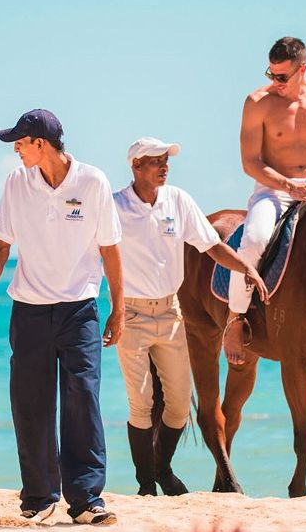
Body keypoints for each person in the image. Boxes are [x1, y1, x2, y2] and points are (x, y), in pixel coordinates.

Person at [0, 109, 123, 526]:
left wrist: (118, 308)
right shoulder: (17, 182)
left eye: (20, 142)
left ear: (41, 143)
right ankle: (39, 497)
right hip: (29, 310)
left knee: (82, 399)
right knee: (30, 404)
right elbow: (0, 245)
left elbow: (110, 248)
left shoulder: (92, 182)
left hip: (80, 310)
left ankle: (86, 500)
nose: (16, 150)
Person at [114, 137, 269, 496]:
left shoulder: (178, 200)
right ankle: (147, 486)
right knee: (141, 404)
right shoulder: (115, 206)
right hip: (132, 313)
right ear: (136, 166)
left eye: (166, 160)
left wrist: (245, 267)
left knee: (180, 405)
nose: (164, 166)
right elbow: (95, 250)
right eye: (156, 161)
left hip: (171, 312)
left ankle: (162, 468)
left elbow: (212, 246)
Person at [224, 37, 306, 365]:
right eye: (271, 74)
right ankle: (235, 319)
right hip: (274, 189)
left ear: (302, 70)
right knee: (254, 240)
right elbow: (250, 162)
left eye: (282, 76)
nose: (275, 82)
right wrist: (289, 186)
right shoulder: (257, 102)